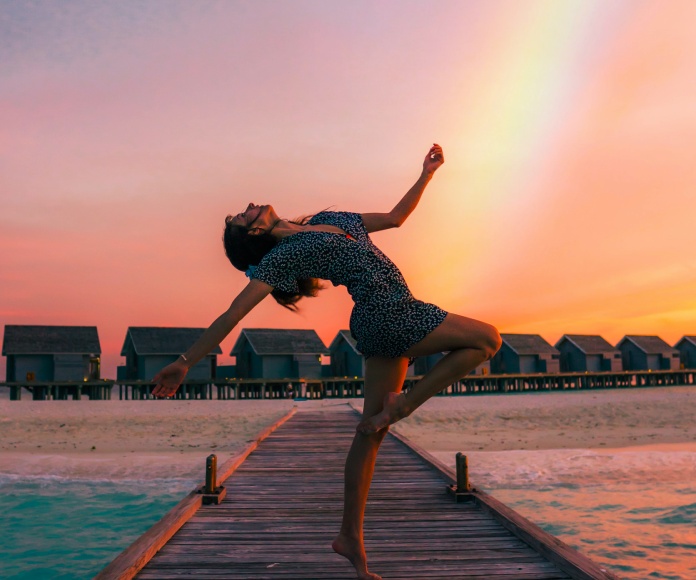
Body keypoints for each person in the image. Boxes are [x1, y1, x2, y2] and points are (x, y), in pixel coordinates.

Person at [152, 144, 501, 580]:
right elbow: (233, 314)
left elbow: (395, 218)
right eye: (245, 216)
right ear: (255, 234)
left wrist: (426, 174)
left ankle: (349, 537)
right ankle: (404, 405)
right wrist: (185, 362)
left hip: (383, 320)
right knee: (488, 338)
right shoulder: (284, 256)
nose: (249, 206)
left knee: (371, 431)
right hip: (389, 314)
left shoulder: (333, 220)